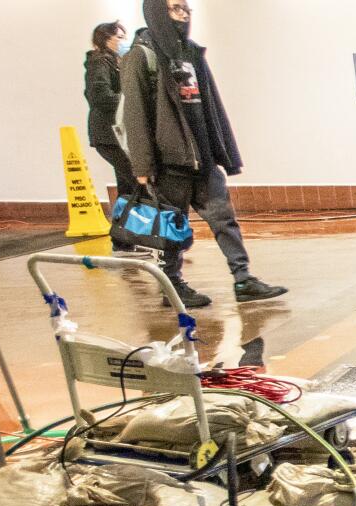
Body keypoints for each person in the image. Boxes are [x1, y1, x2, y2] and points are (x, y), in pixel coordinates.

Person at [118, 0, 286, 309]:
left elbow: (212, 107)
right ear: (157, 11)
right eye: (174, 8)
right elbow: (135, 114)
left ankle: (244, 279)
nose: (182, 15)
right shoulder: (141, 57)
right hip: (168, 163)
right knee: (171, 228)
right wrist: (142, 165)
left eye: (185, 9)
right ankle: (173, 285)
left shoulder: (192, 53)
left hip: (203, 159)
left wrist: (223, 153)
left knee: (225, 221)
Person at [84, 23, 136, 209]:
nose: (124, 42)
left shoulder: (116, 63)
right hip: (108, 134)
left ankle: (124, 232)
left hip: (117, 135)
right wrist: (131, 101)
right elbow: (99, 95)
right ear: (105, 40)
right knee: (137, 180)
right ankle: (134, 230)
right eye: (119, 37)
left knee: (127, 186)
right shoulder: (99, 62)